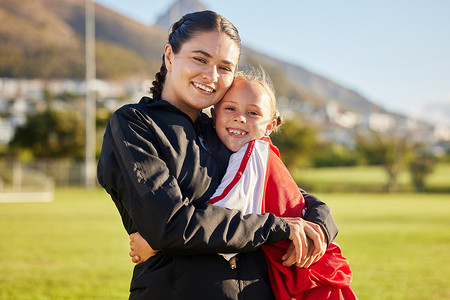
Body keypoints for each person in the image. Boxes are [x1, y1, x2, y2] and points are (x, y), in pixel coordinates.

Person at [98, 10, 338, 299]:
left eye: (225, 67)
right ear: (170, 56)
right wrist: (277, 227)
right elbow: (170, 225)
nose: (211, 76)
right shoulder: (135, 124)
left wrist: (320, 225)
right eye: (200, 59)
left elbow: (287, 195)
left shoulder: (226, 129)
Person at [130, 69, 357, 299]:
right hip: (305, 268)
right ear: (214, 113)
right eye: (231, 108)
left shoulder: (251, 154)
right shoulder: (260, 153)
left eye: (253, 112)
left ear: (269, 126)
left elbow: (223, 212)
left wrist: (157, 241)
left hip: (310, 273)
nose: (240, 117)